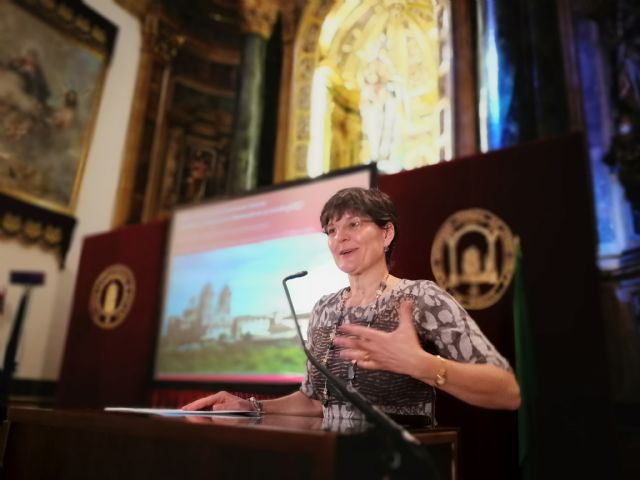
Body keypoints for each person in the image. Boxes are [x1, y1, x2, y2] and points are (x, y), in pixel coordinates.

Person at [183, 187, 521, 424]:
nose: (339, 237)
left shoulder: (421, 297)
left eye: (354, 225)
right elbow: (314, 403)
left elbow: (507, 391)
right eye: (331, 230)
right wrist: (251, 406)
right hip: (333, 462)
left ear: (386, 234)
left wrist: (422, 364)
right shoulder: (324, 309)